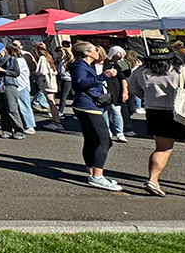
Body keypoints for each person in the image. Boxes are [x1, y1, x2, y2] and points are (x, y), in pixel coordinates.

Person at [130, 40, 185, 196]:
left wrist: (149, 97)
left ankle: (153, 180)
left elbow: (134, 88)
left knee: (163, 148)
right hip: (184, 112)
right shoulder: (184, 70)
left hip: (156, 113)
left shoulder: (141, 71)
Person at [69, 41, 121, 191]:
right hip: (87, 106)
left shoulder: (85, 65)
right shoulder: (79, 65)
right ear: (87, 52)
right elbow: (80, 82)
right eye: (95, 49)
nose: (98, 52)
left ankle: (92, 172)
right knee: (104, 140)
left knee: (92, 139)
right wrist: (103, 76)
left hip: (87, 105)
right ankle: (97, 176)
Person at [32, 42, 65, 132]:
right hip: (51, 81)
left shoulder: (42, 58)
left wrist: (34, 71)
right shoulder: (48, 56)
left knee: (51, 102)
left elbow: (41, 71)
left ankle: (56, 121)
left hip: (46, 82)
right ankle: (55, 120)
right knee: (51, 101)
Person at [6, 41, 36, 135]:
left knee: (24, 106)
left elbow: (15, 73)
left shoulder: (17, 61)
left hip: (21, 86)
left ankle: (30, 126)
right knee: (20, 106)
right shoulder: (20, 59)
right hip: (21, 85)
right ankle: (24, 124)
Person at [104, 46, 131, 142]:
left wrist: (125, 91)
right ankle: (108, 132)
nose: (121, 58)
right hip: (104, 91)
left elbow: (122, 78)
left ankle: (119, 133)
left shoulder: (115, 64)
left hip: (115, 91)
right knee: (105, 112)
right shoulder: (105, 63)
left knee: (116, 112)